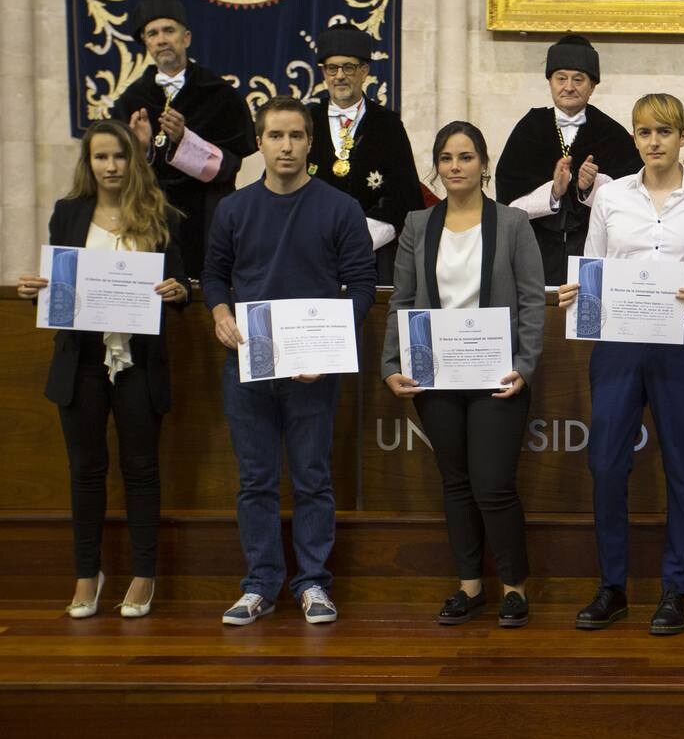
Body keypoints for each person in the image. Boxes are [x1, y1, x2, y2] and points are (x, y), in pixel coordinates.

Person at [558, 93, 684, 636]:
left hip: (679, 344)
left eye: (663, 131)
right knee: (606, 465)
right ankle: (613, 586)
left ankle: (676, 590)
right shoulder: (611, 198)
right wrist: (579, 294)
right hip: (618, 344)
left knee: (681, 468)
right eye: (642, 132)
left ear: (683, 136)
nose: (652, 141)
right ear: (633, 139)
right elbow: (595, 266)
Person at [201, 96, 377, 627]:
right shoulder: (233, 208)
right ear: (259, 143)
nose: (286, 146)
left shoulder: (340, 208)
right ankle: (259, 585)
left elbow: (363, 286)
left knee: (312, 478)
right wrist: (218, 312)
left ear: (310, 143)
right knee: (254, 480)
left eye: (296, 136)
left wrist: (331, 348)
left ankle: (314, 584)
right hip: (248, 366)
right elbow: (213, 274)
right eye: (275, 136)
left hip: (312, 369)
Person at [16, 120, 190, 619]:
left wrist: (179, 292)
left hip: (138, 362)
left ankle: (143, 574)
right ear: (88, 164)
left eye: (119, 156)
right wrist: (37, 292)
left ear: (133, 161)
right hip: (82, 363)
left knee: (141, 471)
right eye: (101, 158)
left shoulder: (160, 215)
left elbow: (180, 287)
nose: (111, 166)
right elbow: (58, 288)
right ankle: (86, 573)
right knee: (85, 473)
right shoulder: (68, 214)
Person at [382, 121, 546, 628]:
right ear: (438, 166)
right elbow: (403, 300)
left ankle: (514, 589)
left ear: (484, 164)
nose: (456, 167)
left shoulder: (513, 222)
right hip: (437, 375)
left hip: (499, 375)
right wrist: (392, 364)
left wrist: (524, 366)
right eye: (447, 158)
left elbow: (532, 300)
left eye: (467, 157)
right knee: (455, 483)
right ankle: (470, 586)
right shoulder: (417, 225)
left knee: (493, 484)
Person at [111, 0, 255, 280]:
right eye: (152, 33)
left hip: (207, 214)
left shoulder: (219, 94)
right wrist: (142, 149)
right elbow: (116, 170)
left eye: (169, 31)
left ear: (186, 38)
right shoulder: (130, 100)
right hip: (149, 215)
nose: (162, 39)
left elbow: (230, 166)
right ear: (146, 43)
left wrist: (184, 141)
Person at [495, 34, 641, 284]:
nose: (569, 87)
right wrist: (552, 192)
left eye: (578, 79)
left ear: (592, 86)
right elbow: (508, 197)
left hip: (593, 246)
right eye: (561, 78)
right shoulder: (529, 129)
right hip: (536, 246)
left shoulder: (612, 133)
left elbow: (634, 199)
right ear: (550, 82)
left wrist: (590, 188)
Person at [307, 23, 423, 284]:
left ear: (364, 71)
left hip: (374, 254)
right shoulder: (305, 121)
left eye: (348, 67)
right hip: (311, 255)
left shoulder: (388, 125)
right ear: (324, 73)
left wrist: (356, 243)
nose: (339, 76)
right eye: (332, 68)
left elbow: (404, 197)